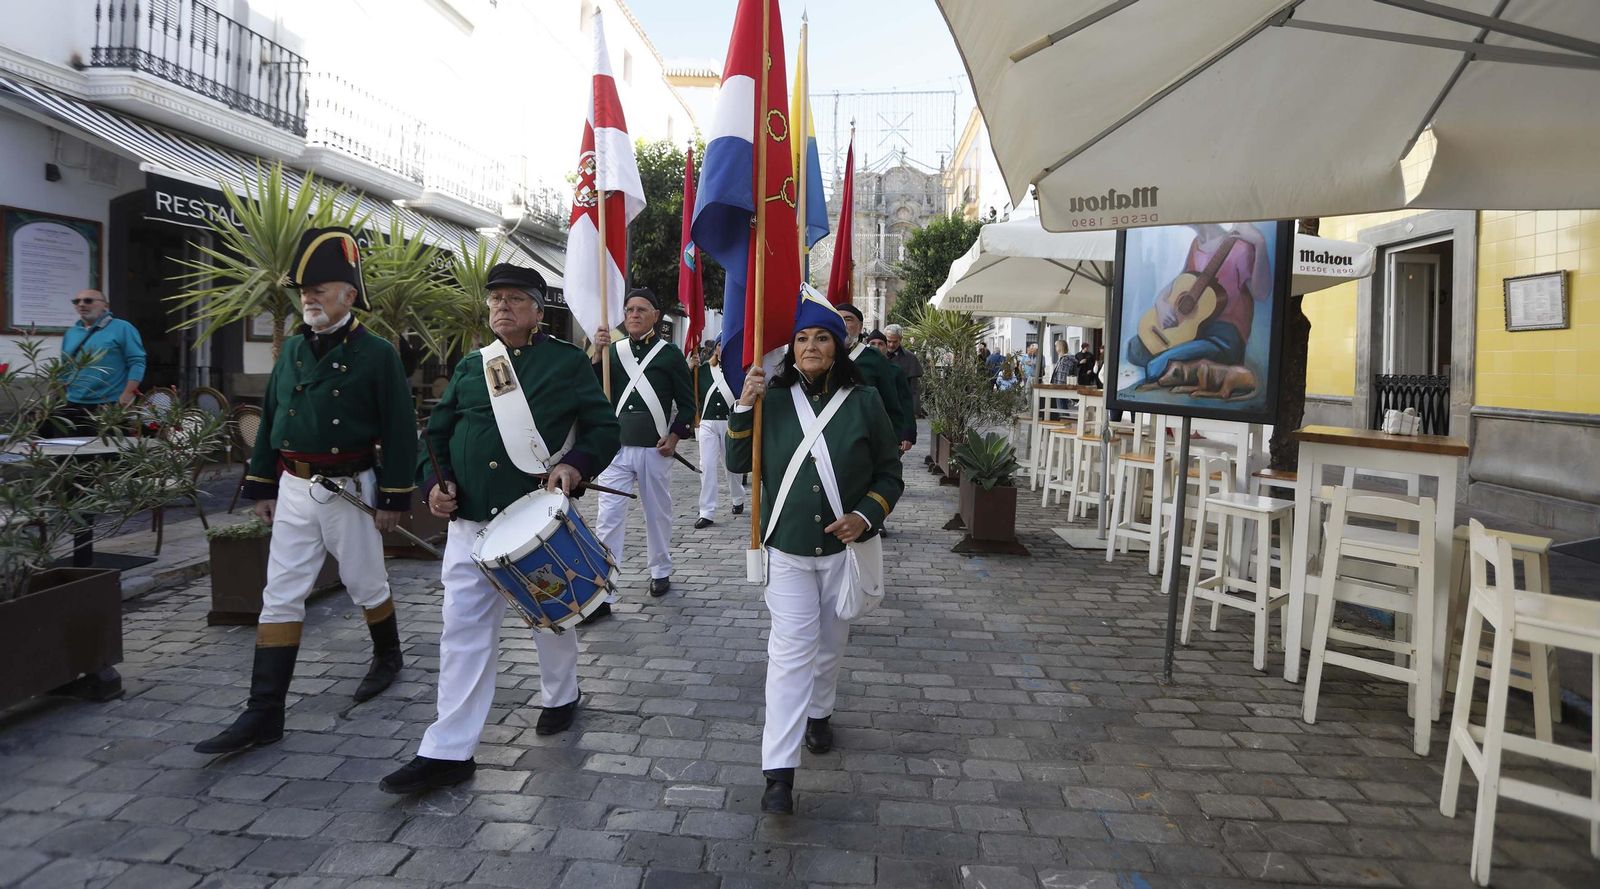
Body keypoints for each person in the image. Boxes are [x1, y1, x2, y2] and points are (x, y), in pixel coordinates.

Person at [379, 263, 620, 794]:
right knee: (461, 632)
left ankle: (561, 694)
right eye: (495, 300)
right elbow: (437, 439)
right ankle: (449, 750)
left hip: (535, 517)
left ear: (538, 309)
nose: (502, 307)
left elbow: (604, 428)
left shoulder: (565, 364)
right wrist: (432, 486)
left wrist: (577, 464)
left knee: (550, 618)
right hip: (469, 526)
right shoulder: (471, 366)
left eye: (514, 298)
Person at [196, 227, 416, 755]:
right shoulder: (293, 349)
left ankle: (388, 655)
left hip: (347, 487)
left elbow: (401, 429)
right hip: (295, 485)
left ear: (349, 293)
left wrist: (392, 497)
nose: (308, 298)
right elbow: (274, 417)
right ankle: (264, 711)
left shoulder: (378, 354)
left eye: (320, 287)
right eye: (303, 290)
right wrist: (262, 485)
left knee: (365, 581)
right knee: (281, 592)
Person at [725, 290, 904, 815]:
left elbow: (889, 475)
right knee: (788, 653)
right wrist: (743, 404)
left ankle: (820, 712)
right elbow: (740, 461)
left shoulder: (866, 401)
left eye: (820, 338)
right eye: (801, 338)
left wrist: (866, 515)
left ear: (838, 345)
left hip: (842, 551)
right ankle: (778, 771)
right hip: (787, 549)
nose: (809, 346)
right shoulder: (773, 399)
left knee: (831, 640)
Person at [591, 288, 695, 602]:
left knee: (657, 513)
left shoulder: (669, 354)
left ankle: (660, 570)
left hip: (655, 448)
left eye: (641, 309)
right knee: (608, 517)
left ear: (655, 315)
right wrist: (597, 353)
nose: (633, 314)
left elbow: (688, 405)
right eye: (629, 309)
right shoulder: (613, 351)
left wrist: (675, 436)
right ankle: (604, 589)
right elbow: (592, 391)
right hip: (616, 450)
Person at [1123, 222, 1273, 388]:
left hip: (1223, 337)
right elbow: (1181, 280)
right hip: (1193, 332)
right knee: (1134, 348)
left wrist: (1260, 243)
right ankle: (1184, 362)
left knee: (1158, 365)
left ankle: (1180, 365)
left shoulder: (1240, 248)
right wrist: (1161, 305)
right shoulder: (1196, 245)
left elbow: (1261, 294)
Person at [57, 289, 145, 433]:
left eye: (88, 300)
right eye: (77, 301)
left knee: (108, 452)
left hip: (109, 404)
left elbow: (137, 362)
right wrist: (61, 395)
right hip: (73, 404)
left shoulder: (122, 328)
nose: (81, 304)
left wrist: (128, 394)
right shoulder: (71, 332)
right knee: (73, 452)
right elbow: (65, 366)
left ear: (105, 306)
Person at [835, 302, 915, 454]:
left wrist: (898, 439)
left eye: (848, 319)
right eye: (837, 318)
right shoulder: (821, 357)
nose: (842, 323)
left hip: (867, 438)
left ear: (860, 327)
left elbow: (893, 403)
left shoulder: (874, 359)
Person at [689, 343, 745, 529]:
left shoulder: (739, 370)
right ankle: (707, 511)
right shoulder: (704, 370)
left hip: (730, 422)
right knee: (707, 465)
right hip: (707, 423)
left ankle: (738, 498)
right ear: (716, 349)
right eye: (720, 345)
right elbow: (690, 388)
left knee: (732, 465)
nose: (723, 349)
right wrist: (691, 369)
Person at [882, 325, 923, 418]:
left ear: (900, 339)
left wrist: (914, 411)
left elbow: (914, 388)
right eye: (889, 341)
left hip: (902, 407)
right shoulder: (877, 356)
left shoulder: (910, 358)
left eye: (895, 342)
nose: (891, 345)